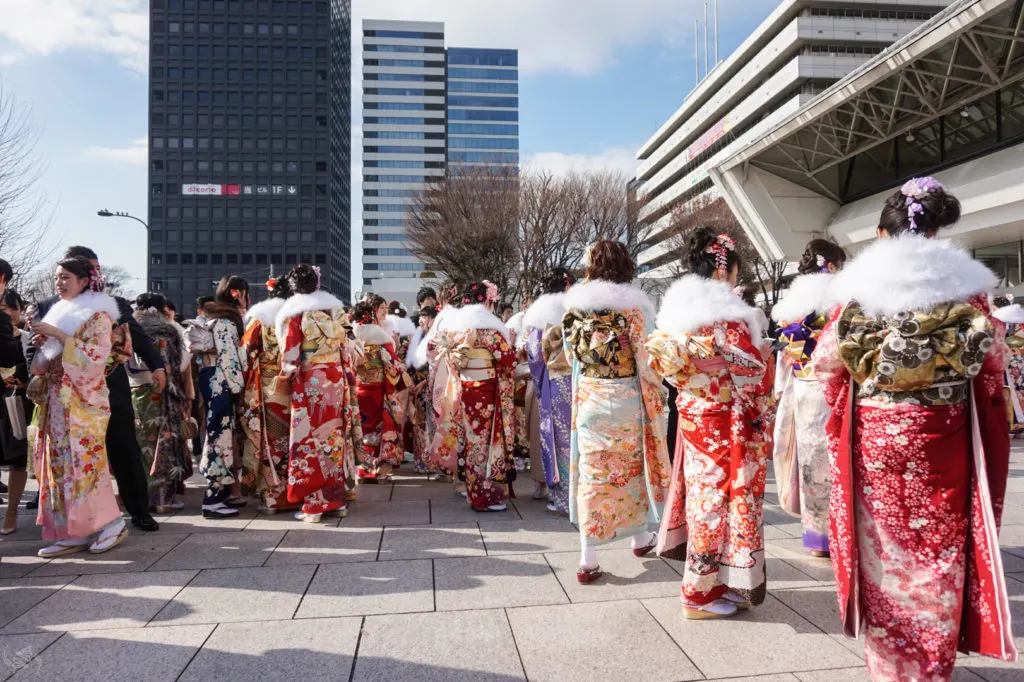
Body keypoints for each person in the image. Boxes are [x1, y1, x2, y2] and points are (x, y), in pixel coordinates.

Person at [813, 177, 1017, 679]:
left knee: (882, 546)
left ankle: (889, 667)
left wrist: (862, 397)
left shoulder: (858, 289)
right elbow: (993, 362)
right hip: (941, 438)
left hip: (876, 434)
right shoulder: (967, 289)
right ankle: (930, 667)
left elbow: (827, 364)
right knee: (936, 551)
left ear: (884, 233)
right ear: (936, 230)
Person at [646, 229, 773, 618]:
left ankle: (720, 582)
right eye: (734, 269)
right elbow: (748, 369)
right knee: (716, 502)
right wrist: (764, 358)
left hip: (695, 412)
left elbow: (667, 368)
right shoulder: (727, 318)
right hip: (724, 417)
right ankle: (697, 594)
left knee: (707, 497)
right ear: (724, 270)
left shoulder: (674, 313)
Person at [27, 246, 164, 533]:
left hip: (104, 384)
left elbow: (134, 336)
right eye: (60, 276)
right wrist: (36, 364)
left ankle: (138, 511)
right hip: (62, 391)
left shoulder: (106, 306)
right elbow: (35, 347)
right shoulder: (49, 304)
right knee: (65, 457)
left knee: (121, 447)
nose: (95, 274)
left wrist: (157, 364)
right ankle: (72, 524)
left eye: (94, 269)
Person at [562, 241, 671, 584]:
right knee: (631, 472)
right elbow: (649, 361)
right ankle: (639, 538)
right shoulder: (634, 311)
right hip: (626, 402)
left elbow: (571, 357)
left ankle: (588, 557)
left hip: (592, 400)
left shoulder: (577, 309)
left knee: (594, 474)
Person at [29, 256, 129, 556]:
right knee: (60, 462)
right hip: (59, 401)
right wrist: (43, 348)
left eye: (66, 278)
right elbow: (52, 359)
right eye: (57, 277)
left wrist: (58, 335)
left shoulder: (97, 314)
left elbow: (96, 359)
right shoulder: (63, 313)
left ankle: (110, 524)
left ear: (84, 281)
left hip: (84, 403)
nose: (59, 283)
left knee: (86, 462)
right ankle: (73, 529)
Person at [770, 239, 847, 557]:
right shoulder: (839, 300)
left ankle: (817, 536)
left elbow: (786, 353)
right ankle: (836, 532)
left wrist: (779, 389)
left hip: (801, 386)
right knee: (832, 459)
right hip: (831, 387)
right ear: (830, 265)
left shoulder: (792, 303)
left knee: (810, 461)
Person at [276, 264, 360, 522]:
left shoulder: (296, 314)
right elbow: (350, 347)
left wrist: (285, 376)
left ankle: (317, 503)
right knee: (333, 438)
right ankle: (337, 498)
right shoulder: (334, 311)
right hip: (335, 380)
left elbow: (290, 356)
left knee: (310, 441)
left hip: (311, 380)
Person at [431, 281, 517, 511]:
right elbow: (508, 361)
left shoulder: (456, 330)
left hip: (465, 390)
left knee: (470, 441)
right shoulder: (489, 332)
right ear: (487, 301)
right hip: (485, 391)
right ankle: (483, 495)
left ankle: (472, 490)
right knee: (483, 443)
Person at [186, 276, 248, 519]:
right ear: (238, 293)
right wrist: (239, 390)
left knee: (217, 435)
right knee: (218, 438)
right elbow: (230, 359)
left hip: (212, 378)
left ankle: (219, 494)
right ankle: (213, 498)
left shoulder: (215, 318)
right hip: (221, 381)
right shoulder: (225, 322)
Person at [131, 292, 194, 514]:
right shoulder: (167, 332)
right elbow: (182, 363)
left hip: (136, 392)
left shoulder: (130, 330)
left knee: (140, 445)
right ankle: (161, 499)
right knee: (163, 446)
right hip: (163, 393)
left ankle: (141, 498)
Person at [240, 277, 295, 513]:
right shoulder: (294, 317)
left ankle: (271, 497)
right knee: (292, 439)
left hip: (266, 387)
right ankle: (293, 494)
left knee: (269, 440)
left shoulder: (258, 319)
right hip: (293, 386)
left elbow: (247, 353)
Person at [523, 268, 576, 515]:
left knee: (558, 437)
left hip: (555, 381)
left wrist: (540, 377)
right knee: (576, 438)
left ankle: (563, 498)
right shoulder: (576, 311)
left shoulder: (541, 316)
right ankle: (578, 496)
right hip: (579, 380)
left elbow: (534, 352)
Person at [353, 295, 407, 483]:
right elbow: (391, 363)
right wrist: (401, 367)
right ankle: (373, 468)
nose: (385, 311)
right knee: (376, 427)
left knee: (363, 427)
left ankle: (363, 469)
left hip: (359, 386)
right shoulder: (380, 336)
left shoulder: (355, 333)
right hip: (376, 388)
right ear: (372, 312)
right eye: (381, 308)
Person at [0, 270, 32, 535]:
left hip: (19, 406)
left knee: (18, 460)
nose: (8, 312)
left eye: (13, 308)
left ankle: (11, 513)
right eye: (3, 307)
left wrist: (23, 380)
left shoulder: (28, 338)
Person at [406, 305, 437, 473]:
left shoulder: (437, 338)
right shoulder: (417, 337)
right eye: (420, 317)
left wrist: (424, 382)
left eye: (424, 317)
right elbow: (409, 363)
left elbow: (438, 365)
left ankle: (433, 460)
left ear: (433, 319)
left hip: (430, 384)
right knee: (418, 423)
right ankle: (421, 460)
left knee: (432, 424)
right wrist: (410, 381)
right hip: (417, 385)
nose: (421, 320)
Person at [993, 298, 1024, 435]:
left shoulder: (999, 320)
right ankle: (1017, 421)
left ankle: (1016, 422)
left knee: (1011, 390)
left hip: (1009, 359)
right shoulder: (1017, 318)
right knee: (1017, 390)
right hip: (1017, 358)